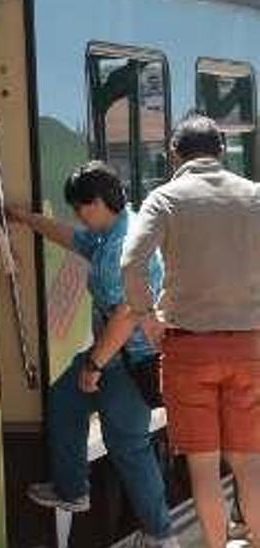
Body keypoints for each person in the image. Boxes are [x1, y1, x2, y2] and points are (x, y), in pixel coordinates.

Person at [7, 161, 177, 547]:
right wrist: (23, 218)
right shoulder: (109, 234)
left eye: (81, 207)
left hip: (130, 361)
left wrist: (95, 363)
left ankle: (162, 536)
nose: (78, 216)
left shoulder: (126, 241)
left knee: (129, 447)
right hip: (114, 357)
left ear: (99, 202)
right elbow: (69, 237)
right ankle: (72, 489)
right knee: (66, 400)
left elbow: (127, 313)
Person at [122, 114, 260, 548]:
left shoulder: (164, 198)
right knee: (249, 465)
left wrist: (148, 319)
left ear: (173, 155)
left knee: (203, 468)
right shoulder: (254, 195)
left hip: (187, 348)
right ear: (221, 151)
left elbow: (131, 264)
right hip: (249, 346)